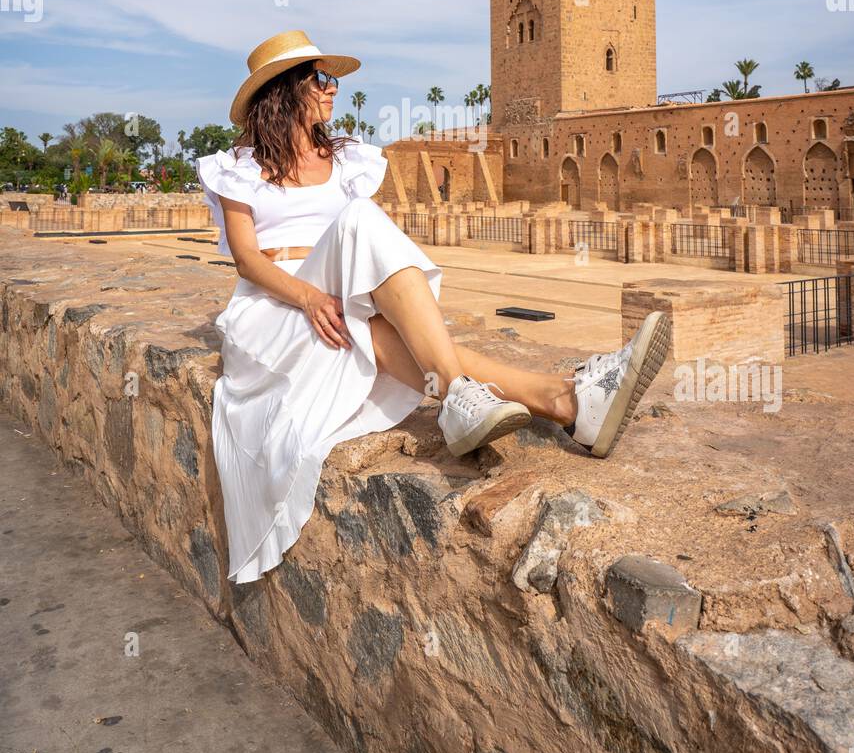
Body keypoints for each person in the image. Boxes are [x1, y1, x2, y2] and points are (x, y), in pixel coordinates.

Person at [196, 29, 671, 585]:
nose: (332, 90)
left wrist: (329, 294)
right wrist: (305, 295)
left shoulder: (344, 160)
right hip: (275, 302)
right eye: (321, 79)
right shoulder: (240, 167)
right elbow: (248, 261)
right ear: (285, 91)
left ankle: (557, 402)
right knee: (362, 235)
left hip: (339, 288)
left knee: (381, 315)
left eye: (332, 80)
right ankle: (538, 397)